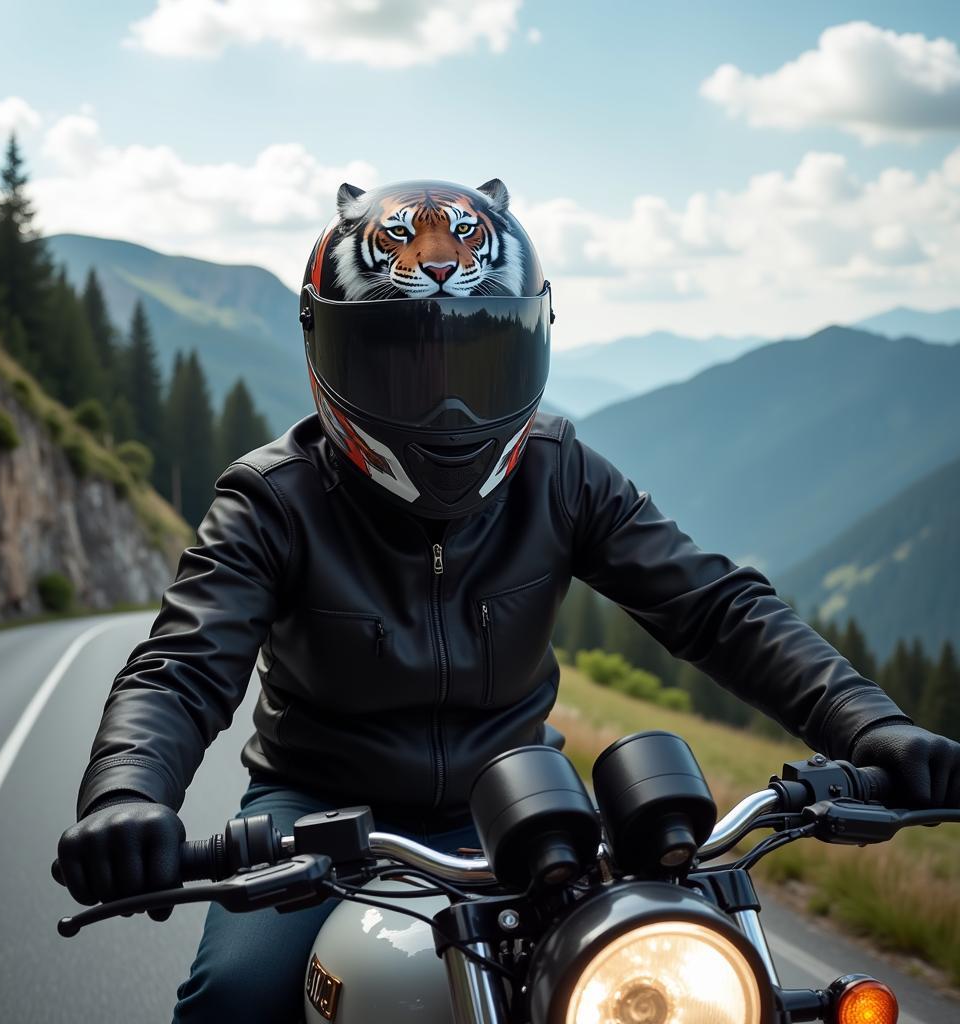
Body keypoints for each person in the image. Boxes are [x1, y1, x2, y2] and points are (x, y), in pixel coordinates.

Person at [55, 179, 960, 1022]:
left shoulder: (562, 474)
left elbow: (717, 606)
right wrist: (126, 793)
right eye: (406, 365)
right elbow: (181, 669)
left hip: (524, 803)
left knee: (700, 968)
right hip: (320, 814)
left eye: (481, 361)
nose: (450, 409)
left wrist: (866, 723)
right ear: (327, 354)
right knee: (237, 996)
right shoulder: (272, 499)